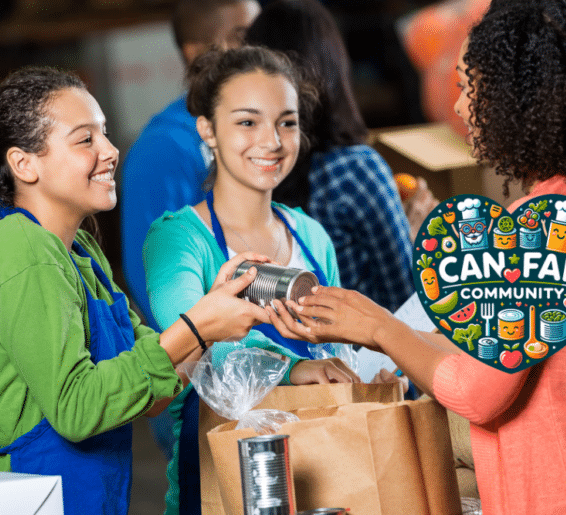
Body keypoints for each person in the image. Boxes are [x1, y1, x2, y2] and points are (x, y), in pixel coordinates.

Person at [270, 0, 566, 513]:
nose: (457, 109)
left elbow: (480, 393)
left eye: (467, 88)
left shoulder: (551, 222)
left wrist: (379, 330)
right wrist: (373, 325)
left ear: (518, 98)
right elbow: (507, 355)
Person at [0, 66, 276, 515]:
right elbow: (77, 410)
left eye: (105, 134)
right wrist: (196, 325)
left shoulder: (79, 252)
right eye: (85, 139)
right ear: (24, 163)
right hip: (21, 498)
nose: (110, 151)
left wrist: (212, 317)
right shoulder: (21, 249)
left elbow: (154, 394)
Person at [143, 46, 360, 515]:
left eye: (287, 122)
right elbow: (188, 341)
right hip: (223, 482)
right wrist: (293, 371)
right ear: (208, 130)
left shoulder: (312, 236)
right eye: (247, 122)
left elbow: (337, 346)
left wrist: (364, 375)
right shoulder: (179, 240)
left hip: (325, 476)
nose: (273, 141)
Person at [120, 0, 261, 461]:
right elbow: (159, 285)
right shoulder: (163, 149)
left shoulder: (253, 132)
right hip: (204, 379)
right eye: (242, 33)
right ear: (196, 51)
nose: (258, 45)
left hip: (257, 367)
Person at [245, 0, 427, 313]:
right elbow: (405, 301)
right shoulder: (353, 170)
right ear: (333, 67)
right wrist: (417, 235)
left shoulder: (240, 170)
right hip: (360, 357)